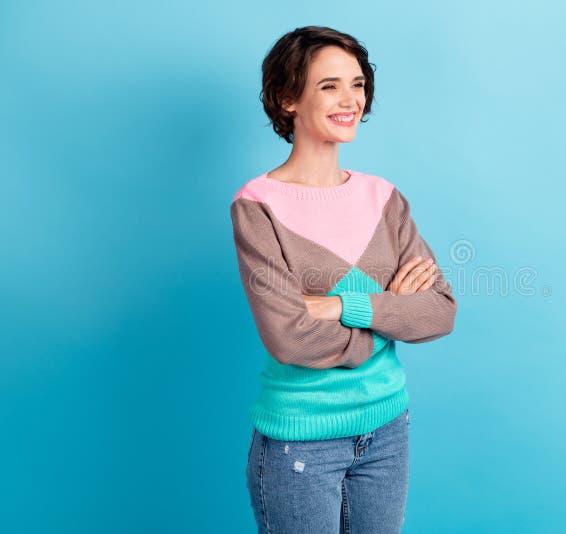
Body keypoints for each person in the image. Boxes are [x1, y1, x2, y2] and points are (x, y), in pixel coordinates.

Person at [230, 25, 457, 533]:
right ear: (287, 97)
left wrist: (340, 306)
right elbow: (290, 338)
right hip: (301, 442)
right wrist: (392, 312)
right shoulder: (257, 206)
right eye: (329, 85)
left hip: (388, 430)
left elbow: (440, 311)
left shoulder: (384, 198)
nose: (350, 99)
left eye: (357, 84)